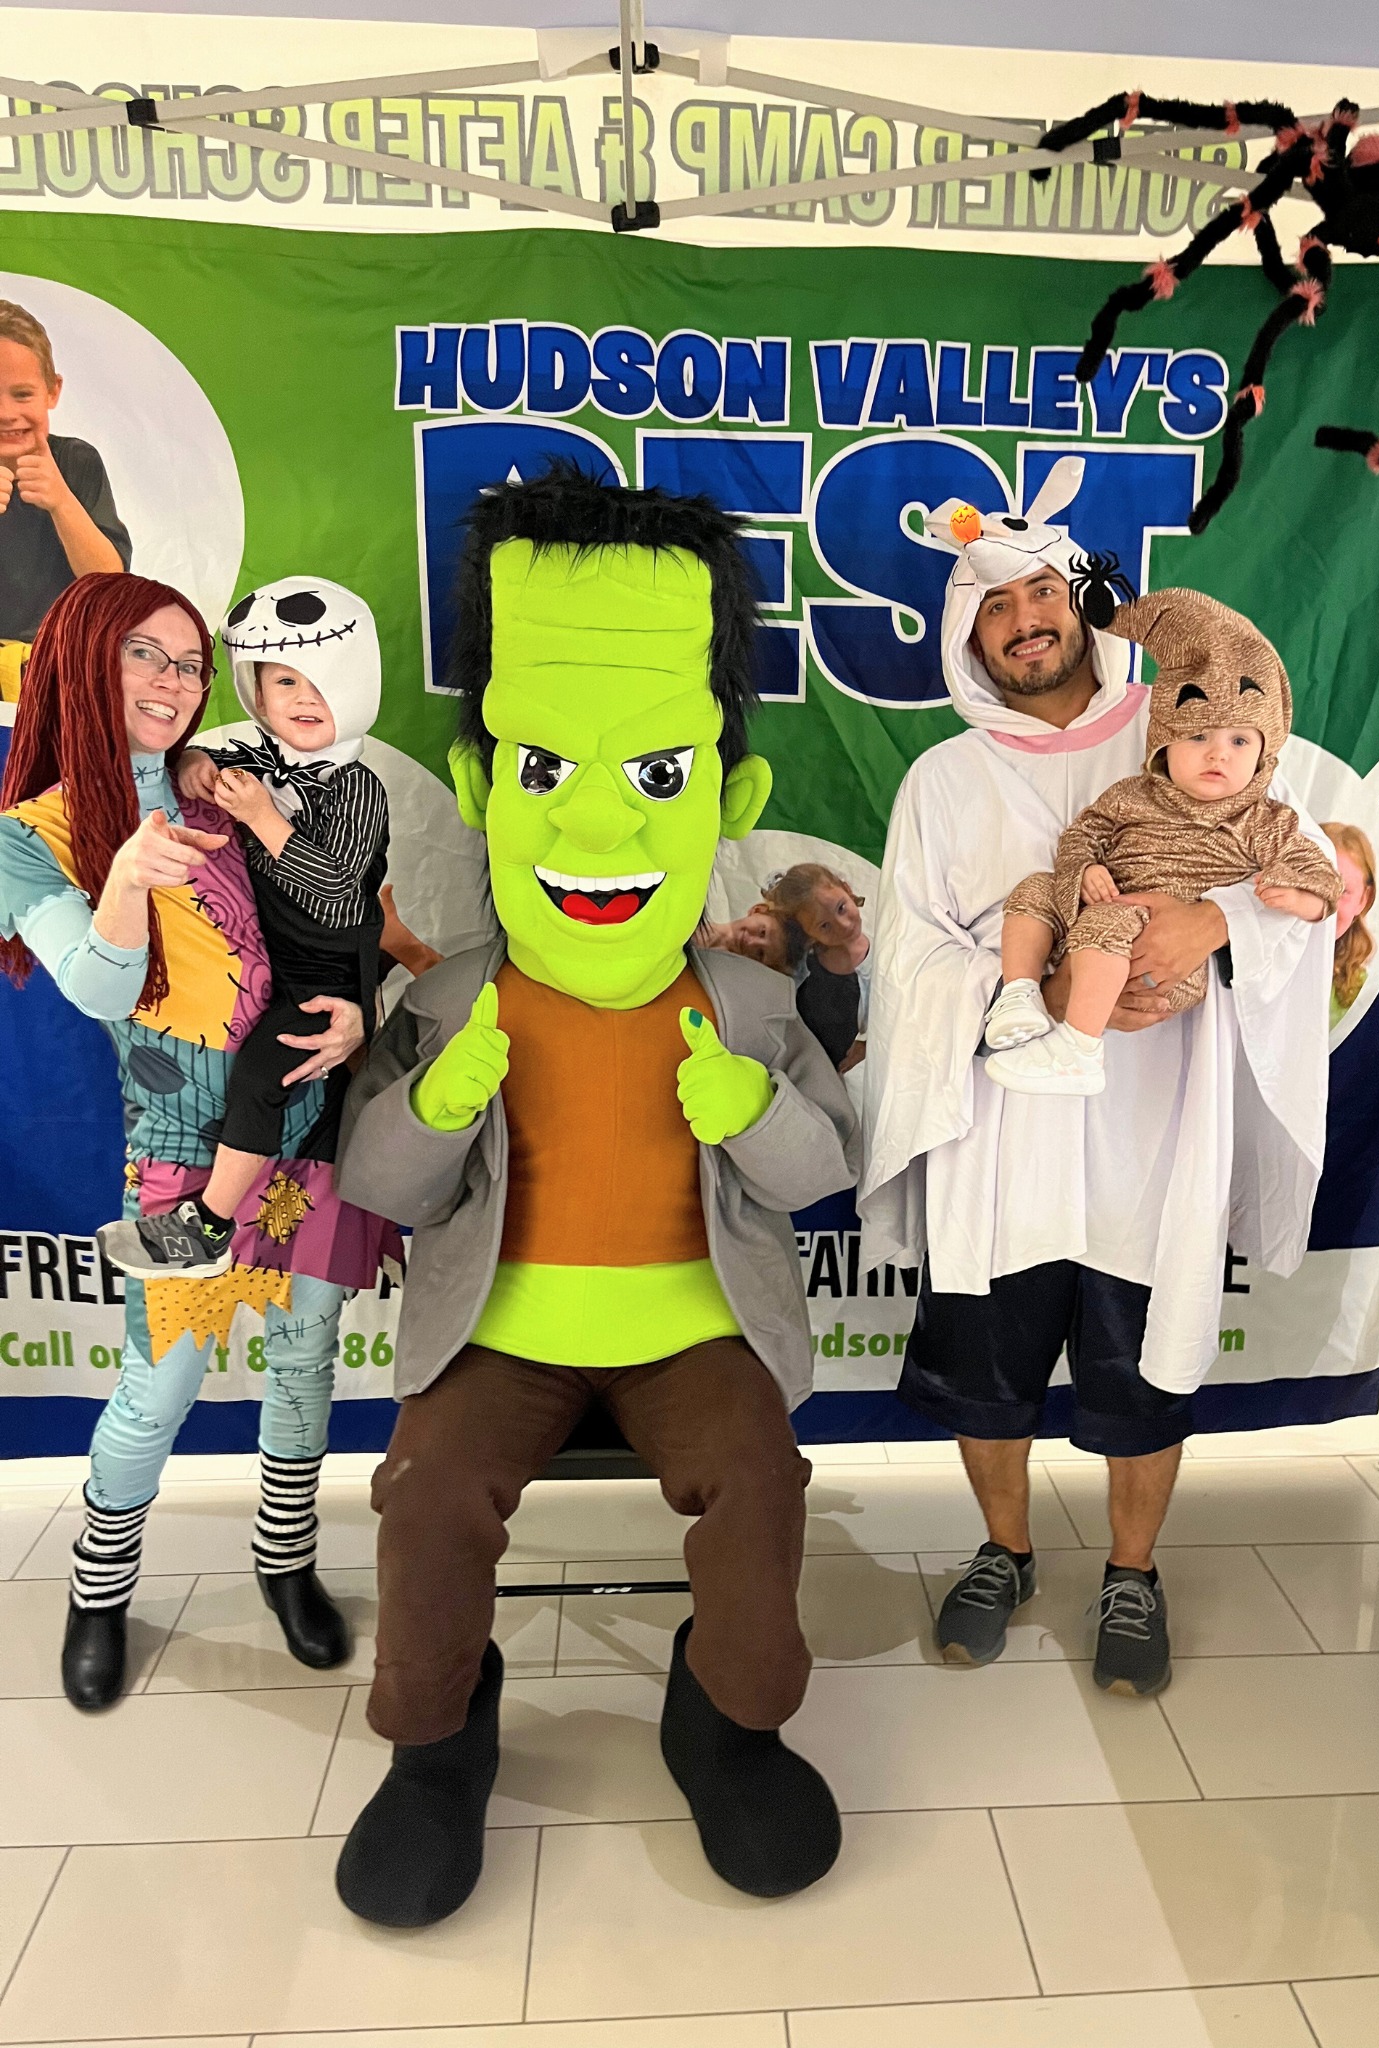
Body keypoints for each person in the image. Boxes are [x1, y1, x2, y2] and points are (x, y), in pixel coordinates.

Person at [331, 468, 859, 1929]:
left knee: (759, 1481)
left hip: (693, 1329)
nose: (604, 829)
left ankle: (729, 1721)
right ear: (486, 788)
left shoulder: (750, 1001)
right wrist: (437, 1104)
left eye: (660, 779)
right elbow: (378, 1184)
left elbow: (825, 1169)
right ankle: (437, 1745)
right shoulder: (451, 997)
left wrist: (751, 1111)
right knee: (427, 1495)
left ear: (729, 800)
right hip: (502, 1329)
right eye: (549, 770)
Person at [860, 464, 1334, 1697]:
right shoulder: (944, 781)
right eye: (995, 605)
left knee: (1144, 1369)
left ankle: (1132, 1571)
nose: (1025, 618)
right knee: (988, 1373)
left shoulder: (1186, 724)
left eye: (1040, 591)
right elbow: (907, 959)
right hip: (1001, 1131)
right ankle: (1005, 1551)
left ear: (1077, 599)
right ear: (969, 637)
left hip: (1155, 1124)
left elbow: (1312, 872)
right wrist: (1035, 979)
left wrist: (1213, 923)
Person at [0, 572, 400, 1710]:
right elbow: (98, 986)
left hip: (310, 1118)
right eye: (145, 654)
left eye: (188, 662)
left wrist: (359, 1013)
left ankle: (286, 1562)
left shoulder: (221, 786)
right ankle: (98, 1590)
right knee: (160, 1384)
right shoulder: (30, 836)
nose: (174, 682)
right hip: (182, 1145)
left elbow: (338, 922)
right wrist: (128, 872)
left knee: (305, 1356)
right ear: (81, 659)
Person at [98, 578, 390, 1280]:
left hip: (325, 975)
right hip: (264, 961)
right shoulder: (252, 759)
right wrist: (195, 763)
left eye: (322, 681)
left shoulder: (357, 788)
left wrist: (262, 816)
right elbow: (187, 764)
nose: (304, 698)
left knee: (262, 1077)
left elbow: (338, 891)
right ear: (255, 691)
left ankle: (208, 1226)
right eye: (284, 680)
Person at [985, 586, 1338, 1096]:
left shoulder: (1262, 818)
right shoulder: (1131, 795)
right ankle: (1019, 995)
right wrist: (1083, 870)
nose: (1217, 754)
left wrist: (1297, 899)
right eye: (1197, 736)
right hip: (1091, 927)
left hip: (1165, 964)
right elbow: (1083, 834)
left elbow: (1319, 871)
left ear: (1263, 755)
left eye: (1239, 741)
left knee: (1106, 922)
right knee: (1036, 888)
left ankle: (1078, 1050)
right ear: (1164, 741)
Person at [0, 301, 130, 700]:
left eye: (23, 394)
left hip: (59, 664)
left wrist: (61, 501)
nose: (6, 413)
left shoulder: (76, 462)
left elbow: (110, 583)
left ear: (52, 391)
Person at [764, 862, 871, 1072]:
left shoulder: (884, 960)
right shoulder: (799, 965)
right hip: (794, 1068)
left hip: (845, 1076)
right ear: (807, 933)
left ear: (847, 889)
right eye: (824, 926)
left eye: (841, 908)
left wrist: (868, 1044)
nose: (843, 925)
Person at [1321, 820, 1377, 1025]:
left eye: (1343, 891)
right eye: (1315, 884)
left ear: (1364, 899)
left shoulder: (1360, 992)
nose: (1326, 903)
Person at [703, 900, 805, 975]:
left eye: (760, 953)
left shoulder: (716, 981)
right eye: (762, 932)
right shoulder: (704, 904)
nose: (751, 942)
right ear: (758, 909)